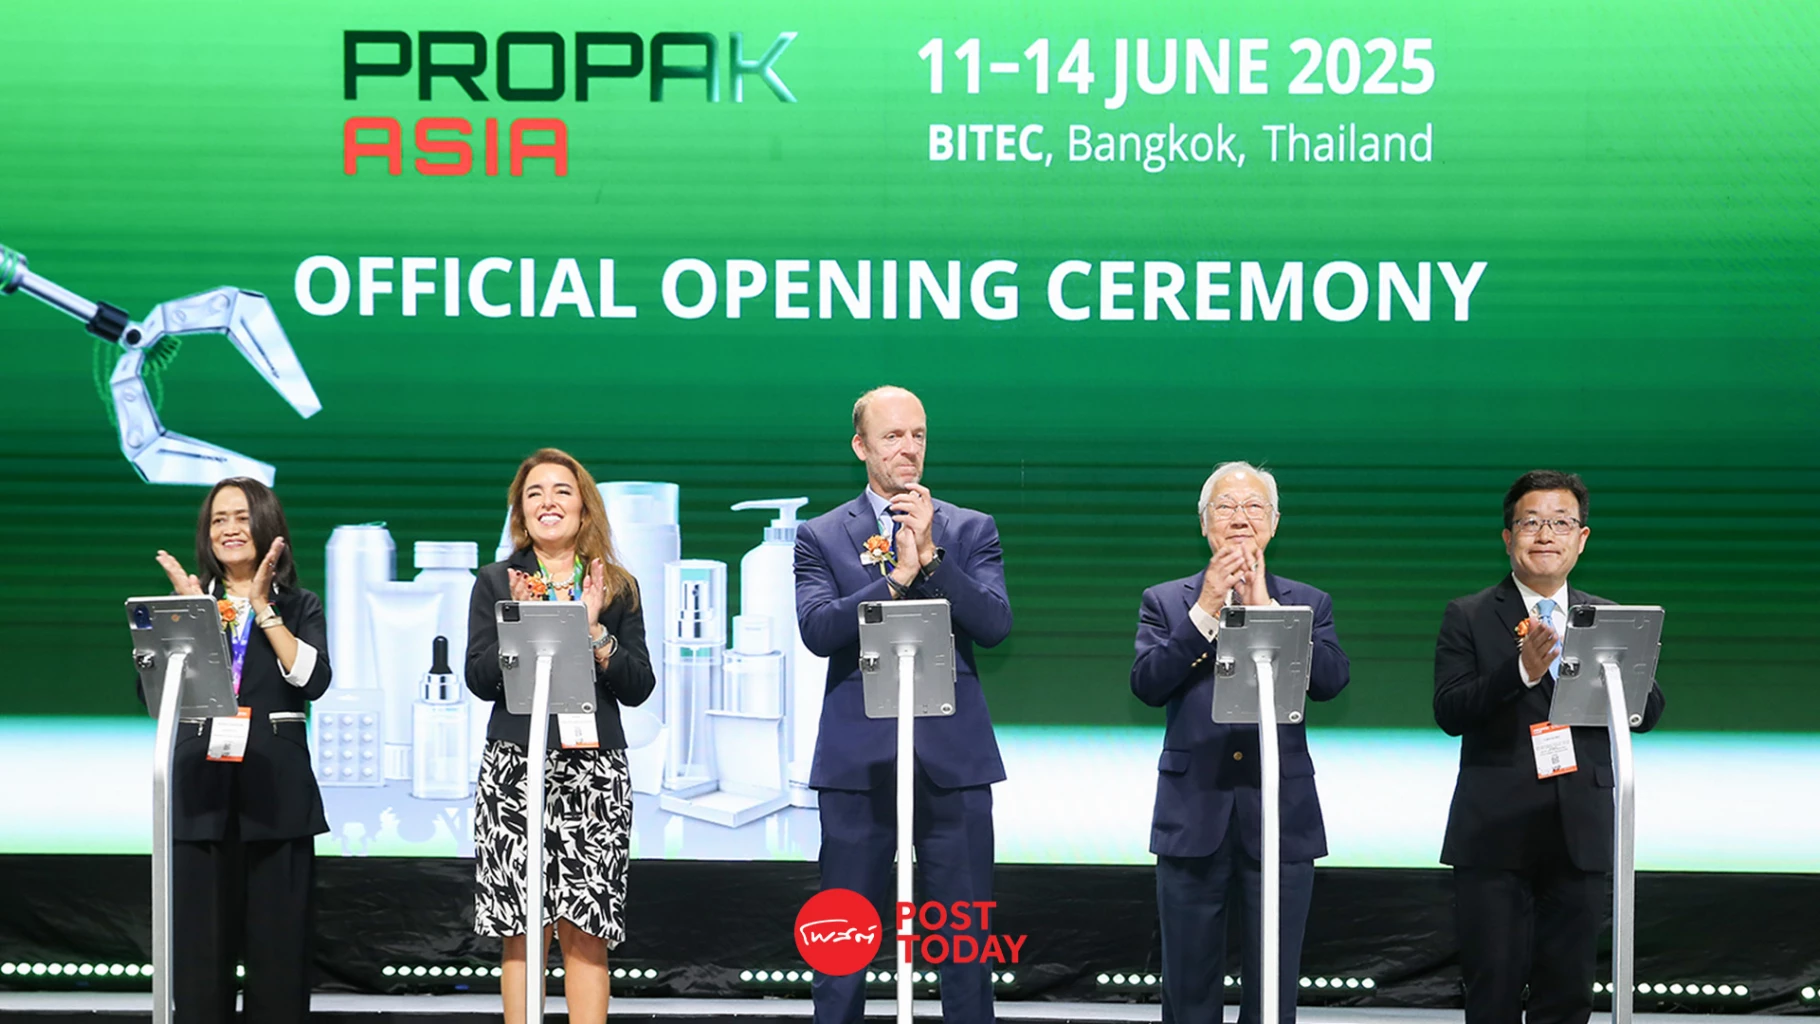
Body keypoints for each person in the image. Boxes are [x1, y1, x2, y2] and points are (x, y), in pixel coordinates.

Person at [794, 386, 1013, 1024]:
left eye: (917, 435)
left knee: (964, 943)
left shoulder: (969, 529)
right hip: (857, 765)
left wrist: (933, 559)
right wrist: (895, 580)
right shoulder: (821, 535)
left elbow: (994, 624)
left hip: (953, 764)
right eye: (892, 436)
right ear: (861, 446)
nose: (908, 448)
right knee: (842, 942)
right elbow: (818, 630)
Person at [1434, 470, 1666, 1024]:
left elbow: (1647, 712)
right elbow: (1450, 711)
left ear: (1581, 539)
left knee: (1568, 991)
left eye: (1561, 523)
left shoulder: (1607, 617)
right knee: (1492, 988)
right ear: (1507, 537)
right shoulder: (1468, 614)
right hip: (1495, 833)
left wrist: (1622, 669)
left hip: (1579, 828)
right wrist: (1521, 671)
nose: (1545, 535)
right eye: (1531, 522)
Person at [1131, 462, 1350, 1024]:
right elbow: (1148, 684)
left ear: (1273, 524)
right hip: (1191, 814)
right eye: (1225, 507)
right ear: (1205, 523)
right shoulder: (1166, 602)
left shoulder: (1307, 602)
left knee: (1273, 987)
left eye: (1254, 507)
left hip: (1281, 816)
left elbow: (1331, 680)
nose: (1240, 518)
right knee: (1187, 986)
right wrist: (1206, 609)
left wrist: (1267, 612)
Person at [465, 448, 655, 1024]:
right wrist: (516, 627)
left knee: (587, 925)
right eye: (535, 493)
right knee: (522, 926)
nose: (548, 502)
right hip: (514, 768)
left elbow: (639, 685)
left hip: (594, 771)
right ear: (521, 513)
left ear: (583, 507)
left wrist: (594, 631)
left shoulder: (615, 585)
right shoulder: (496, 581)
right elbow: (478, 678)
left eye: (562, 491)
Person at [146, 477, 332, 1024]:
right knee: (199, 964)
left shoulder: (299, 605)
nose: (229, 529)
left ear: (267, 526)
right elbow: (151, 696)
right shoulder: (188, 606)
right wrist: (188, 621)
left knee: (279, 960)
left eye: (242, 517)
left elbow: (312, 679)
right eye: (218, 519)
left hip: (277, 797)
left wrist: (263, 610)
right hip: (200, 794)